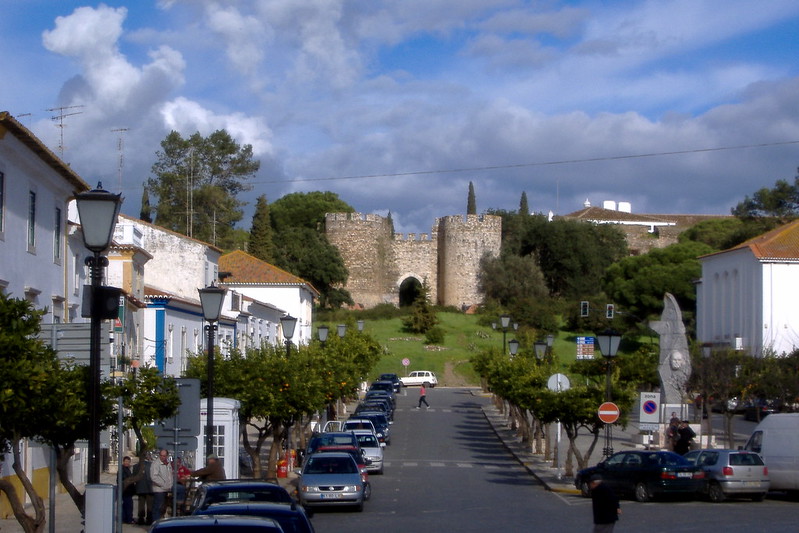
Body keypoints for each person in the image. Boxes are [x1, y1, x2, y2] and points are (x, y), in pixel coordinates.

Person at [150, 449, 173, 523]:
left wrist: (170, 485)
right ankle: (156, 524)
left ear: (167, 456)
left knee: (163, 509)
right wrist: (163, 484)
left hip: (167, 489)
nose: (162, 457)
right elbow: (154, 477)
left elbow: (169, 475)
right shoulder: (156, 464)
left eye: (164, 456)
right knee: (157, 507)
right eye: (161, 455)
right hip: (159, 490)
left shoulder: (168, 463)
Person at [134, 453, 153, 526]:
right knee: (149, 504)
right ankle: (149, 519)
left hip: (140, 487)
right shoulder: (151, 465)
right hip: (149, 488)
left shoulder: (136, 466)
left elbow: (134, 476)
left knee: (141, 504)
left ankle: (141, 519)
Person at [121, 456, 136, 524]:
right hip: (126, 490)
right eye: (126, 461)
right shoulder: (123, 469)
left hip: (127, 491)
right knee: (129, 505)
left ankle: (125, 519)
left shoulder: (127, 469)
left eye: (128, 461)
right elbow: (123, 479)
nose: (127, 463)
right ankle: (129, 519)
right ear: (123, 462)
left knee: (125, 505)